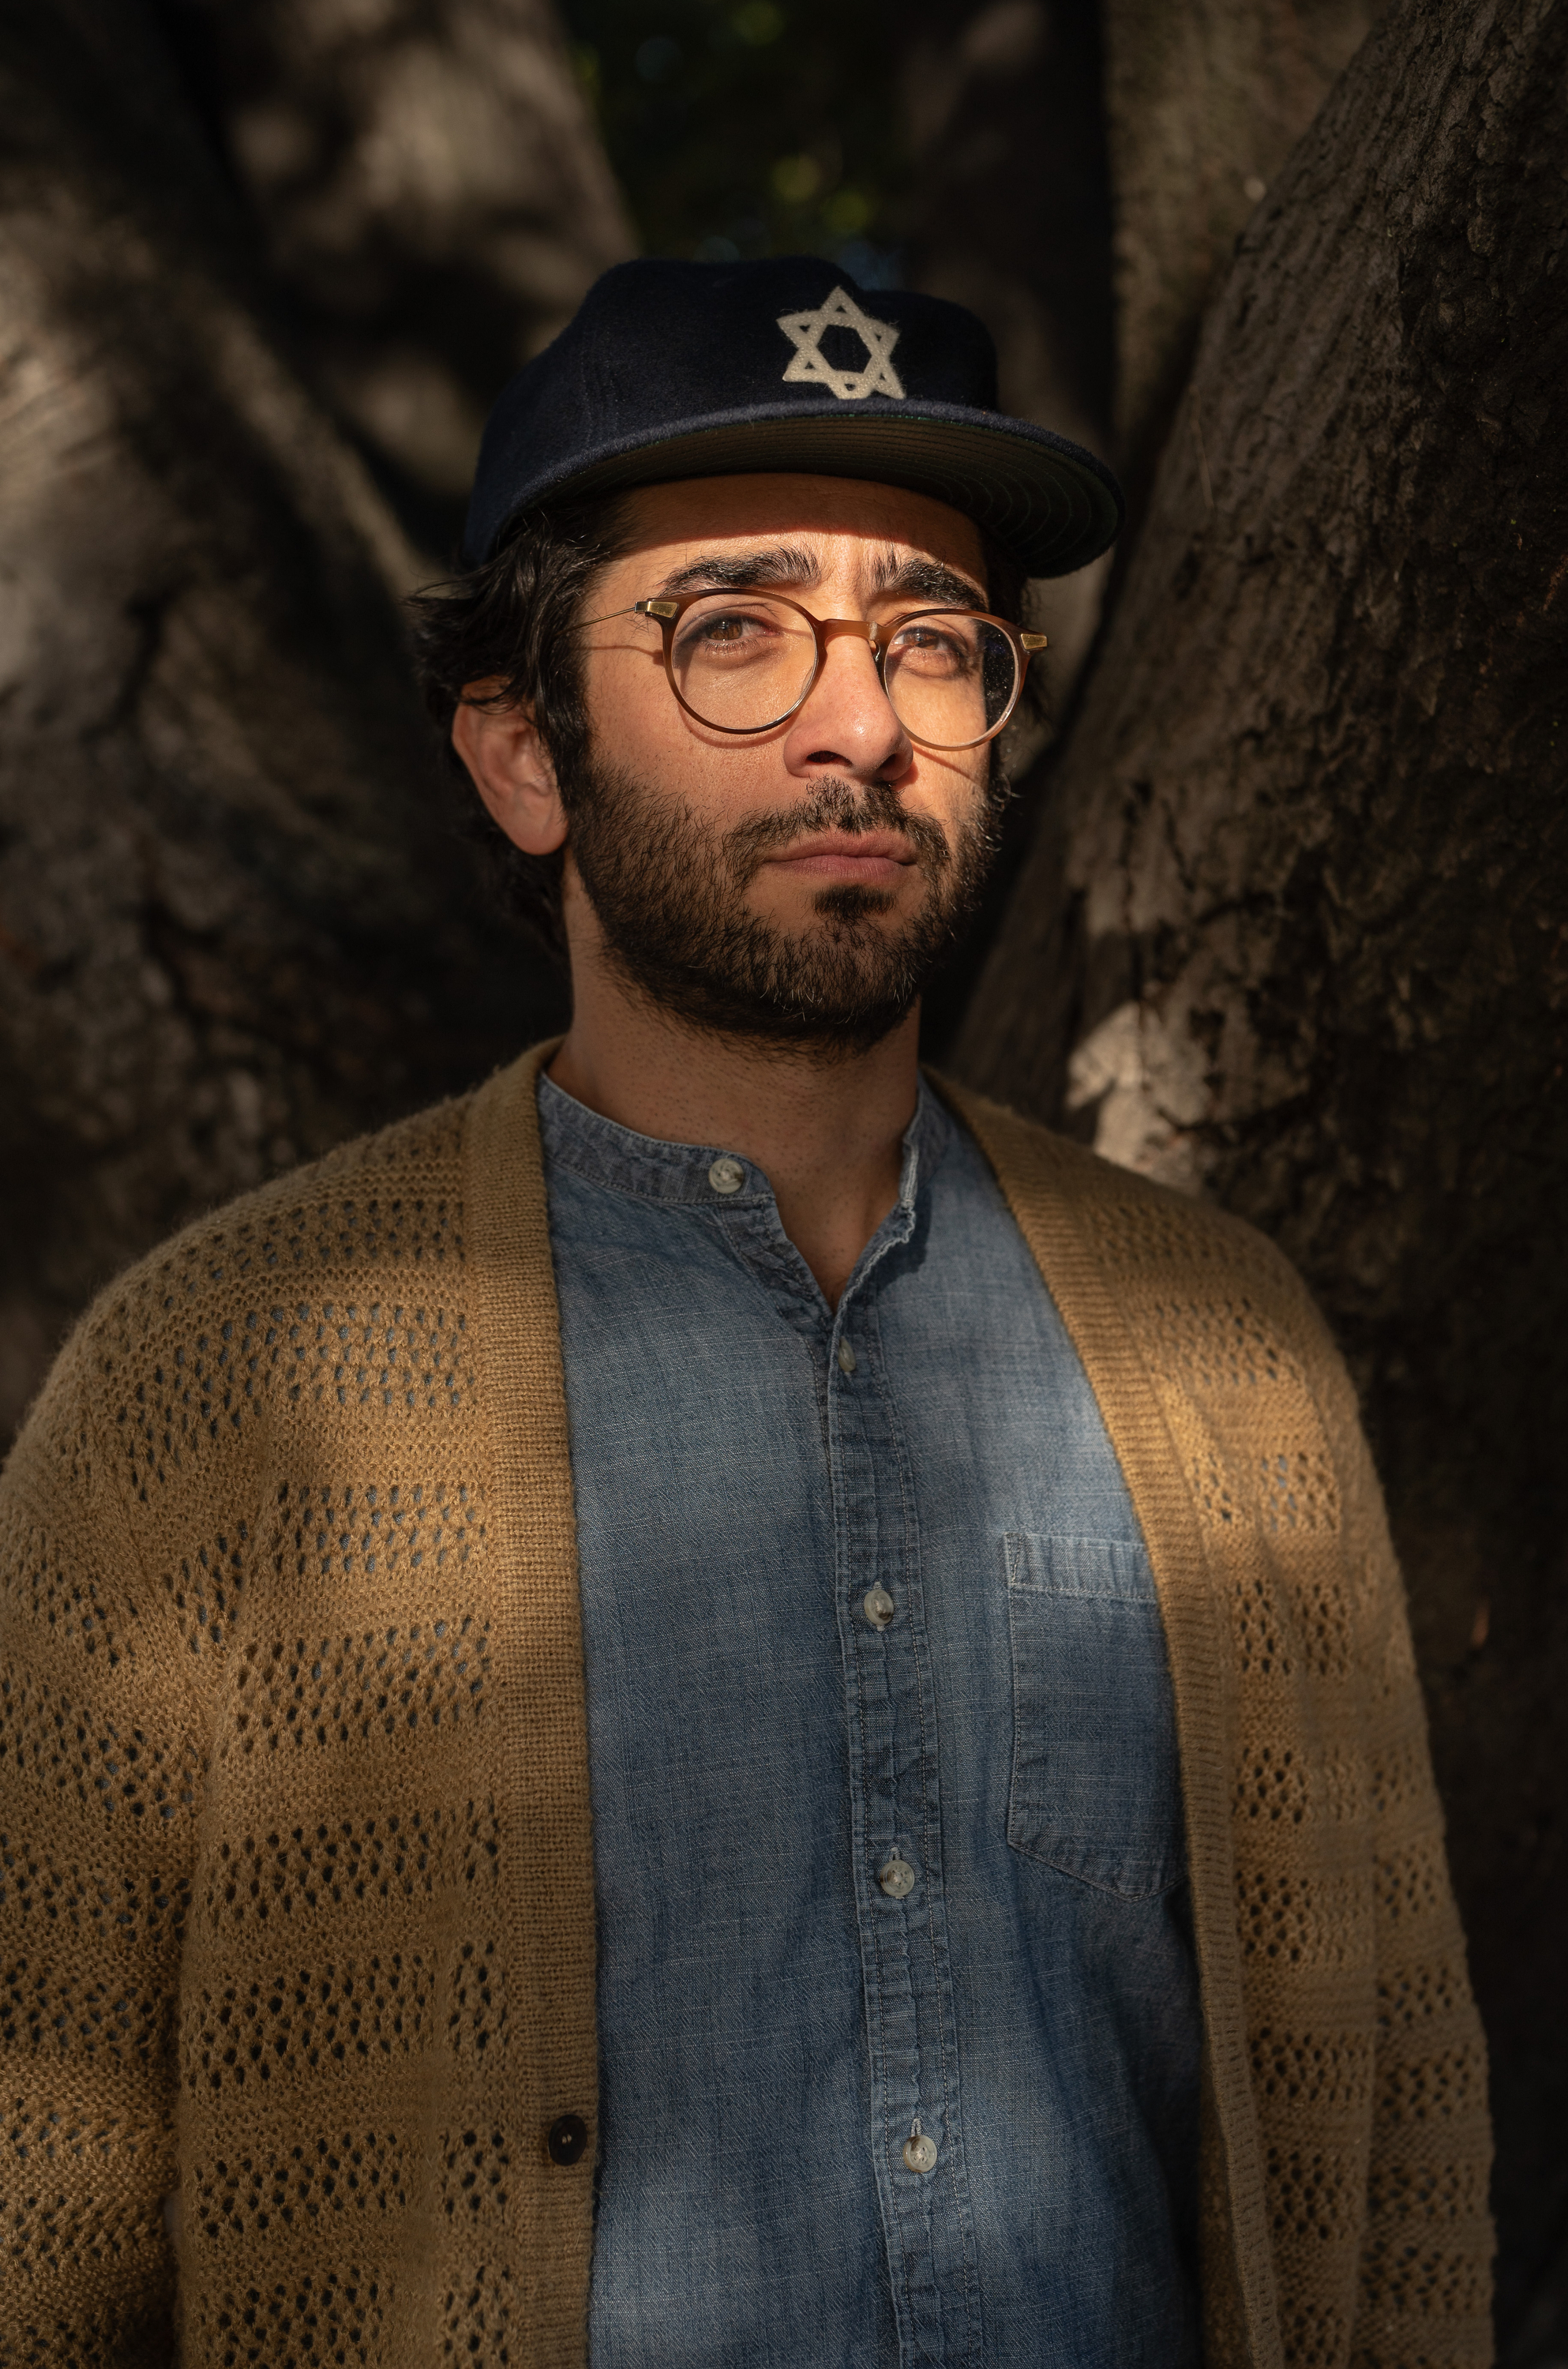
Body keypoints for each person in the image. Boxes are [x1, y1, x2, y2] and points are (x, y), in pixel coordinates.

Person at [0, 259, 1491, 2369]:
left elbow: (1397, 2139)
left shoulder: (1218, 1356)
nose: (863, 724)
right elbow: (33, 2196)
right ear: (524, 754)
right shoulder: (213, 1392)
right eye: (731, 637)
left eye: (932, 646)